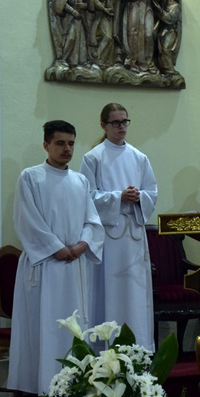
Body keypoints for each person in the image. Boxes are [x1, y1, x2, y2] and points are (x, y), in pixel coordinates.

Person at [8, 120, 104, 396]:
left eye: (71, 143)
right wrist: (55, 247)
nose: (67, 149)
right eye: (60, 143)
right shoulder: (31, 177)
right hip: (46, 266)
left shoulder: (80, 180)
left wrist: (83, 244)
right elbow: (27, 219)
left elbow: (93, 220)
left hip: (75, 266)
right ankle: (42, 388)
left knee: (73, 328)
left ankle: (74, 388)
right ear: (46, 145)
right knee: (46, 327)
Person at [80, 103, 158, 350]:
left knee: (135, 295)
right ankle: (104, 352)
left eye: (125, 121)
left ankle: (138, 350)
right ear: (103, 125)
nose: (122, 126)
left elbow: (152, 192)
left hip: (133, 234)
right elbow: (86, 197)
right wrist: (117, 197)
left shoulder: (139, 157)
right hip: (107, 238)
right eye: (116, 122)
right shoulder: (92, 157)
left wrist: (139, 197)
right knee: (108, 294)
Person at [153, 0, 183, 75]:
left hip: (170, 32)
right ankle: (164, 70)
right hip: (162, 31)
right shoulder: (164, 4)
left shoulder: (176, 6)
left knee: (166, 50)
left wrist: (160, 11)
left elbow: (170, 19)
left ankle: (169, 71)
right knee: (160, 50)